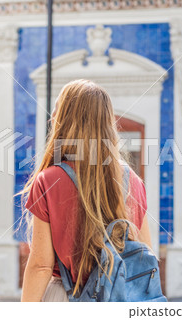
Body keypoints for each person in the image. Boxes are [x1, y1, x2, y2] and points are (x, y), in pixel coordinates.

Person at [19, 79, 153, 302]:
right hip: (119, 297)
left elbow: (41, 265)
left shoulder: (48, 181)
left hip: (64, 297)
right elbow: (145, 252)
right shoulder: (133, 181)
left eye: (56, 111)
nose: (52, 117)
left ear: (63, 121)